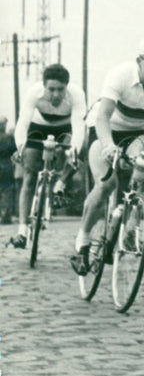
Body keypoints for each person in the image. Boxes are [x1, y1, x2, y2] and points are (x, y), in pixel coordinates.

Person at [70, 36, 144, 274]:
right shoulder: (120, 75)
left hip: (138, 131)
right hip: (105, 128)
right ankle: (83, 238)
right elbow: (102, 117)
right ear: (139, 61)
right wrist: (108, 146)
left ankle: (130, 224)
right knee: (106, 184)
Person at [9, 64, 86, 249]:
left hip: (65, 127)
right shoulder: (34, 93)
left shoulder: (76, 94)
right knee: (29, 176)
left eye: (60, 89)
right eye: (51, 89)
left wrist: (73, 151)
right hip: (39, 125)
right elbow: (22, 124)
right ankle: (22, 231)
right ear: (44, 86)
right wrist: (20, 148)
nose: (56, 94)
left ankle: (61, 182)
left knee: (79, 147)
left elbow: (78, 127)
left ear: (67, 86)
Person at [0, 116, 16, 224]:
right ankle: (6, 216)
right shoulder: (9, 138)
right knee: (7, 190)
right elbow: (13, 149)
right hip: (6, 165)